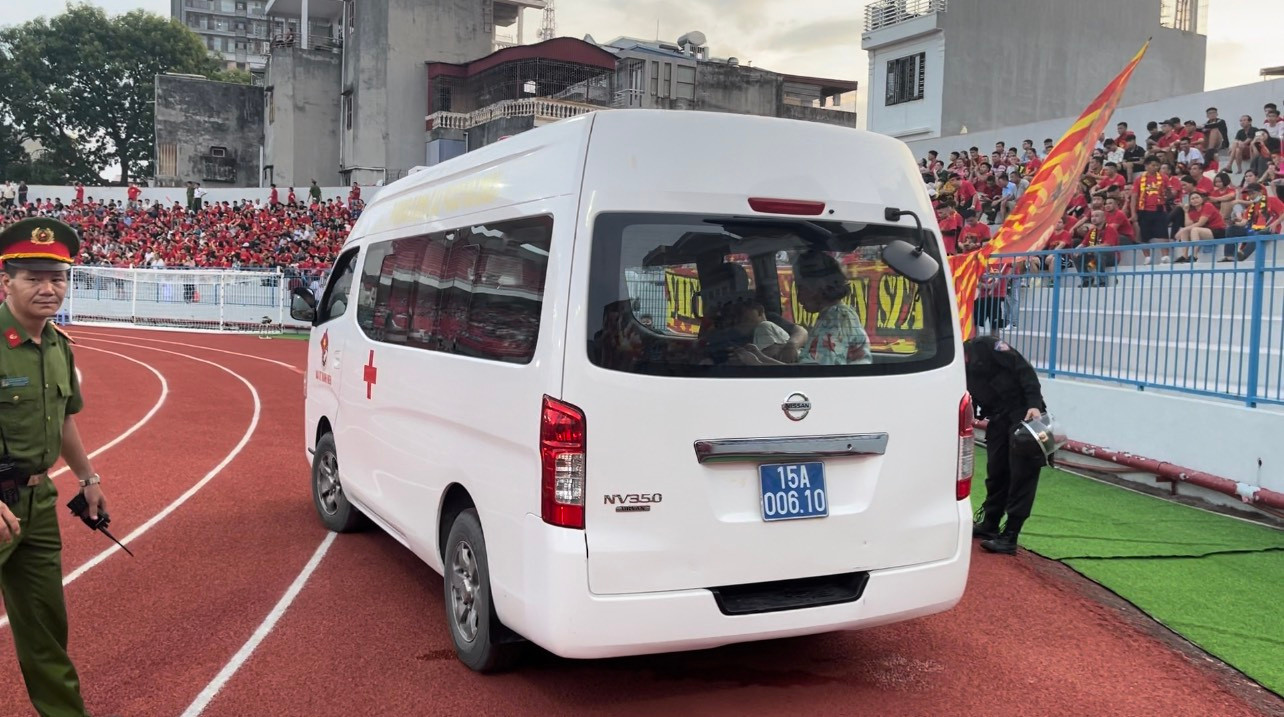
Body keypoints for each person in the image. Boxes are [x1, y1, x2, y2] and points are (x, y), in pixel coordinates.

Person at [0, 216, 108, 716]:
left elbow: (64, 421)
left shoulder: (59, 346)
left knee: (46, 628)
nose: (48, 288)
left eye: (57, 277)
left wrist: (88, 479)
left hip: (37, 505)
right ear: (6, 282)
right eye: (34, 277)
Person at [965, 335, 1046, 555]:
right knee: (997, 471)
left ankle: (1010, 535)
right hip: (999, 417)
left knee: (1022, 475)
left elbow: (1024, 369)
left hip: (1024, 413)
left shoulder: (986, 346)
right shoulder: (955, 365)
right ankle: (990, 523)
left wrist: (1034, 405)